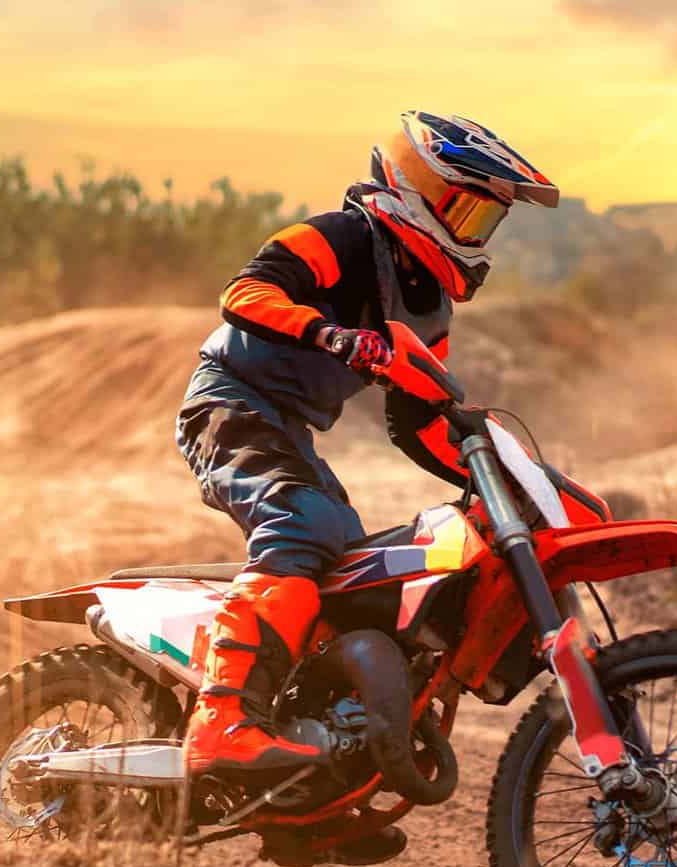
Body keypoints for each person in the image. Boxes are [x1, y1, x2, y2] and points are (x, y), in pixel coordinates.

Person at [176, 111, 558, 778]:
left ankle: (317, 737)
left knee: (355, 561)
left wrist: (486, 471)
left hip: (286, 426)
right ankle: (220, 726)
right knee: (304, 522)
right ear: (417, 188)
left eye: (484, 222)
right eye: (464, 212)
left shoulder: (427, 305)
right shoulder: (342, 236)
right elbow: (244, 293)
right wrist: (330, 334)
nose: (473, 233)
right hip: (229, 400)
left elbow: (416, 420)